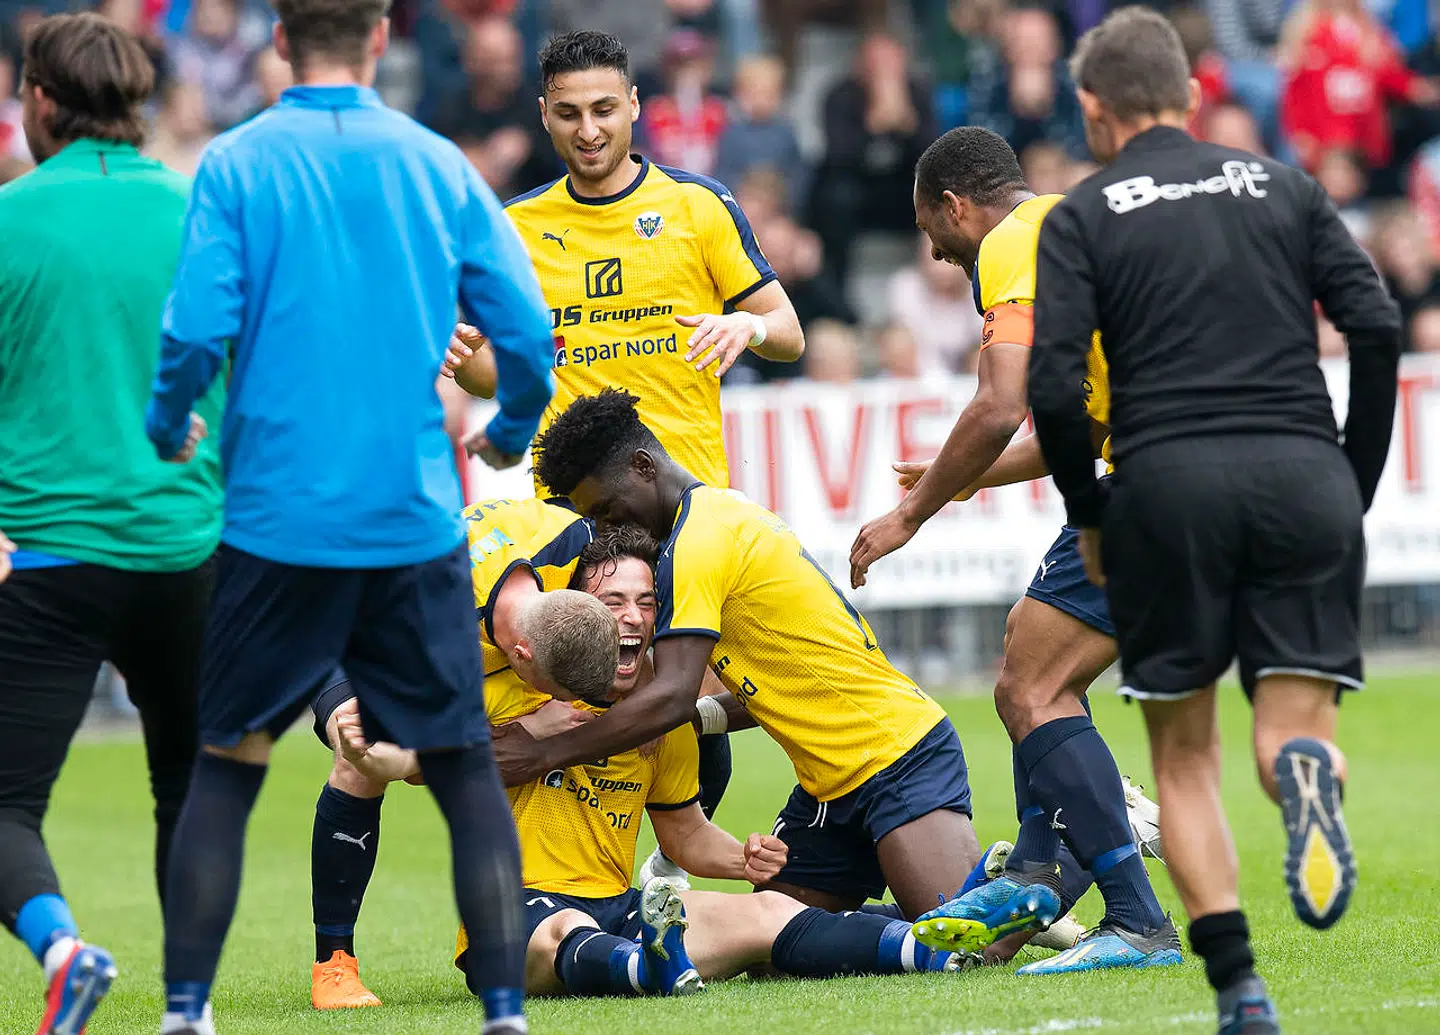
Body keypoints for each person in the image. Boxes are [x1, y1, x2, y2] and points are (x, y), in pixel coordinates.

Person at [141, 0, 556, 1029]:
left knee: (226, 769)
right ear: (381, 39)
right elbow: (527, 330)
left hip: (277, 519)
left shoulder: (235, 165)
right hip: (411, 519)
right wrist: (510, 428)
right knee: (461, 766)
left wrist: (166, 422)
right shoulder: (436, 163)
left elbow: (195, 326)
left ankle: (186, 1010)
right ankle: (505, 1010)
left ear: (282, 41)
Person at [1026, 9, 1402, 1033]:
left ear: (1094, 107)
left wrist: (1092, 513)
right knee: (1288, 731)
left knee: (1184, 761)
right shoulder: (1284, 184)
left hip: (1167, 487)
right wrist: (1349, 478)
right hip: (1301, 474)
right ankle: (1307, 775)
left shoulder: (1083, 215)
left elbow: (1057, 394)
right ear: (1192, 95)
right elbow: (1376, 324)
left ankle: (1240, 990)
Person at [446, 28, 805, 890]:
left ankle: (677, 855)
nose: (589, 129)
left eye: (605, 109)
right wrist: (471, 358)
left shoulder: (697, 206)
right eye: (568, 113)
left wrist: (747, 325)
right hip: (573, 525)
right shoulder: (517, 229)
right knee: (583, 703)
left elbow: (788, 331)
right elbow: (509, 364)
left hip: (687, 516)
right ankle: (574, 889)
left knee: (721, 693)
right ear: (544, 115)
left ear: (636, 106)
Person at [338, 525, 980, 995]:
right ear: (577, 612)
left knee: (769, 912)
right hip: (512, 916)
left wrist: (742, 859)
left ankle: (928, 946)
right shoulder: (516, 687)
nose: (632, 618)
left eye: (647, 603)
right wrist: (381, 752)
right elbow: (421, 762)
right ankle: (648, 965)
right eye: (612, 602)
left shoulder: (657, 718)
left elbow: (683, 833)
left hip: (624, 904)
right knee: (560, 934)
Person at [848, 125, 1178, 975]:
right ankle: (1041, 864)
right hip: (1201, 462)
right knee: (1032, 664)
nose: (936, 251)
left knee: (1028, 687)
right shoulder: (1083, 227)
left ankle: (1133, 916)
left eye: (934, 231)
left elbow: (1000, 407)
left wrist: (908, 515)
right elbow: (1086, 422)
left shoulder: (1012, 240)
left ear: (957, 205)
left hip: (1163, 471)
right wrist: (965, 482)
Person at [493, 388, 990, 925]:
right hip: (827, 782)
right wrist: (697, 717)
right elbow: (767, 688)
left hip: (894, 753)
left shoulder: (695, 544)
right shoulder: (717, 514)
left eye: (606, 510)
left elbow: (670, 697)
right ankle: (940, 897)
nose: (608, 528)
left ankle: (1039, 873)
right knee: (781, 944)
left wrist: (546, 753)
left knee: (970, 938)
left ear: (642, 466)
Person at [0, 14, 226, 1033]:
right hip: (188, 548)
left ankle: (62, 947)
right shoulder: (198, 215)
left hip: (49, 556)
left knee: (4, 804)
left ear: (40, 99)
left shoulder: (11, 221)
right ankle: (190, 1008)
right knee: (187, 780)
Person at [307, 495, 606, 1009]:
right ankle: (334, 965)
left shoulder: (572, 539)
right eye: (554, 689)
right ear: (521, 655)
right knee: (357, 749)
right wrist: (533, 722)